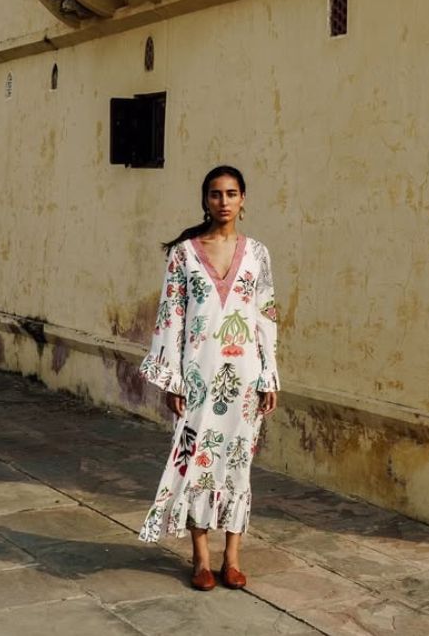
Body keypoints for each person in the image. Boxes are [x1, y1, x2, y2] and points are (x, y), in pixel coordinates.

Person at [136, 165, 280, 591]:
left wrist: (269, 374)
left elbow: (266, 317)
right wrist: (172, 379)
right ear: (205, 200)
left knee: (237, 465)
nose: (223, 201)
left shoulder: (258, 254)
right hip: (199, 377)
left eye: (231, 193)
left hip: (245, 378)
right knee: (196, 465)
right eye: (215, 194)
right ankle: (200, 558)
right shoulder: (184, 253)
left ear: (243, 200)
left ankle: (232, 557)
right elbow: (171, 318)